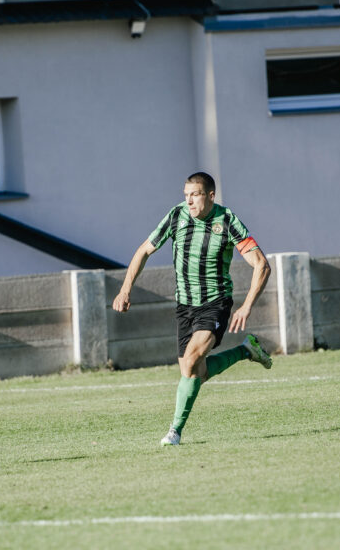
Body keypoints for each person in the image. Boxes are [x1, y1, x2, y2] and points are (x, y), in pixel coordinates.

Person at [113, 171, 273, 446]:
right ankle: (246, 350)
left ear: (210, 196)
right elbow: (144, 250)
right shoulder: (177, 216)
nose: (189, 201)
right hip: (185, 306)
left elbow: (261, 264)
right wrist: (125, 289)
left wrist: (246, 306)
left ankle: (174, 432)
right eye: (186, 195)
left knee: (189, 363)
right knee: (197, 373)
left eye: (195, 195)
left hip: (215, 303)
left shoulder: (227, 220)